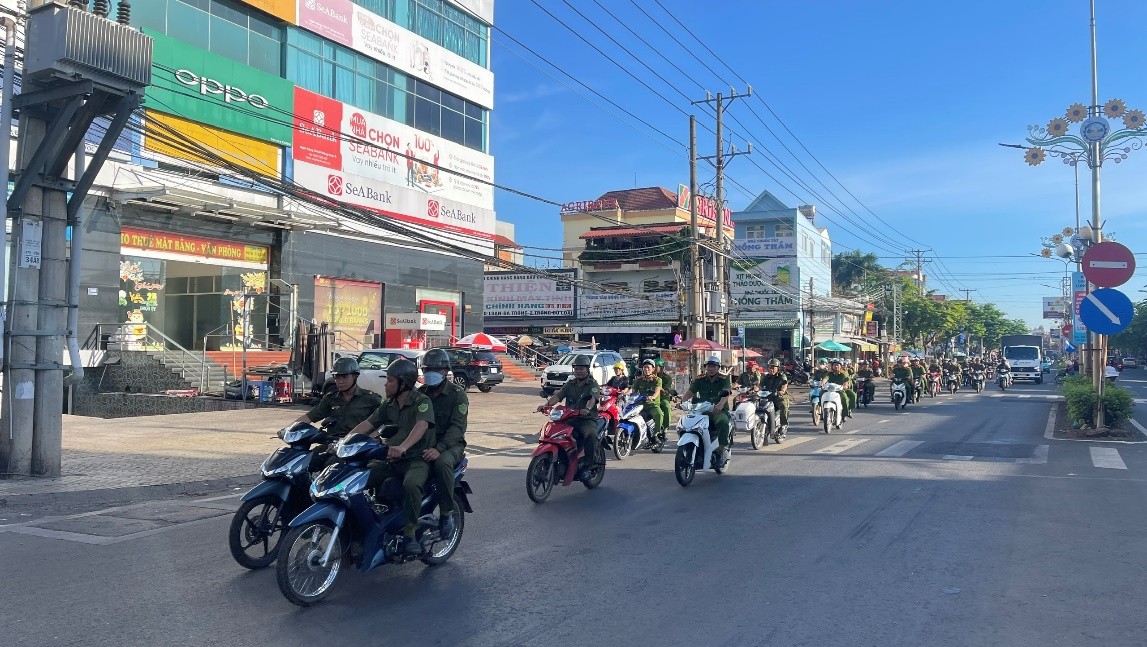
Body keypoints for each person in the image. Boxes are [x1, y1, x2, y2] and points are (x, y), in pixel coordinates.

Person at [347, 358, 435, 556]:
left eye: (390, 380)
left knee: (411, 484)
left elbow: (422, 425)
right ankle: (367, 526)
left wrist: (403, 447)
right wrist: (346, 441)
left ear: (403, 383)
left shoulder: (422, 401)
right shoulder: (389, 404)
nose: (386, 384)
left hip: (415, 459)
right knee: (358, 478)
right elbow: (368, 424)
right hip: (391, 458)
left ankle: (410, 534)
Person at [295, 356, 383, 471]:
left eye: (344, 377)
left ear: (355, 376)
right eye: (336, 377)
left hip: (357, 447)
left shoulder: (370, 399)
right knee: (304, 462)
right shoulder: (331, 398)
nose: (340, 381)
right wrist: (289, 429)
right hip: (332, 444)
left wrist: (372, 437)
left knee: (332, 467)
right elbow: (309, 416)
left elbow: (384, 421)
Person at [420, 349, 467, 539]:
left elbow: (457, 428)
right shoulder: (420, 394)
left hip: (450, 445)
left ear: (445, 371)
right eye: (427, 369)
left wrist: (439, 449)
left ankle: (446, 513)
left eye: (436, 369)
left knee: (442, 463)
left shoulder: (457, 395)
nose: (431, 373)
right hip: (425, 443)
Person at [537, 354, 602, 474]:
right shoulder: (570, 384)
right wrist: (546, 405)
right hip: (569, 418)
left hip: (586, 419)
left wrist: (587, 409)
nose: (579, 371)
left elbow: (592, 399)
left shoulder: (592, 384)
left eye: (582, 369)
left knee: (591, 436)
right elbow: (558, 396)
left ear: (587, 369)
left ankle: (589, 465)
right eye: (577, 369)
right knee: (552, 434)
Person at [679, 355, 733, 462]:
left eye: (713, 366)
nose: (711, 369)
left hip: (717, 409)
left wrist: (720, 404)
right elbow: (690, 392)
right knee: (688, 423)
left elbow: (726, 392)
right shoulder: (700, 379)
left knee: (723, 421)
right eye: (709, 366)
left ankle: (722, 448)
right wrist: (682, 402)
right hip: (701, 409)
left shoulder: (724, 378)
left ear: (718, 367)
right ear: (705, 367)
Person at [630, 359, 665, 440]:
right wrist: (624, 394)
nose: (646, 369)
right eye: (644, 367)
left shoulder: (658, 380)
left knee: (659, 415)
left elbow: (657, 391)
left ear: (653, 369)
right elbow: (632, 390)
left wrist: (652, 397)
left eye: (648, 367)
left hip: (652, 405)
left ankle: (655, 435)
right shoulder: (638, 380)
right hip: (640, 405)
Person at [759, 358, 790, 436]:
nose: (771, 369)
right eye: (770, 367)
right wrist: (755, 389)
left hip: (779, 397)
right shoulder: (766, 377)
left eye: (773, 367)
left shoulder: (781, 376)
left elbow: (784, 384)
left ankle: (783, 424)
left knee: (783, 406)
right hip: (768, 397)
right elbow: (760, 386)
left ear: (777, 368)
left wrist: (782, 391)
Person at [656, 359, 673, 434]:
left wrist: (659, 388)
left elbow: (666, 390)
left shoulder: (667, 378)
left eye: (656, 366)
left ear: (661, 368)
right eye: (653, 366)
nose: (654, 368)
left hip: (662, 398)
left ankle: (665, 428)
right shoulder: (648, 377)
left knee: (666, 406)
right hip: (650, 398)